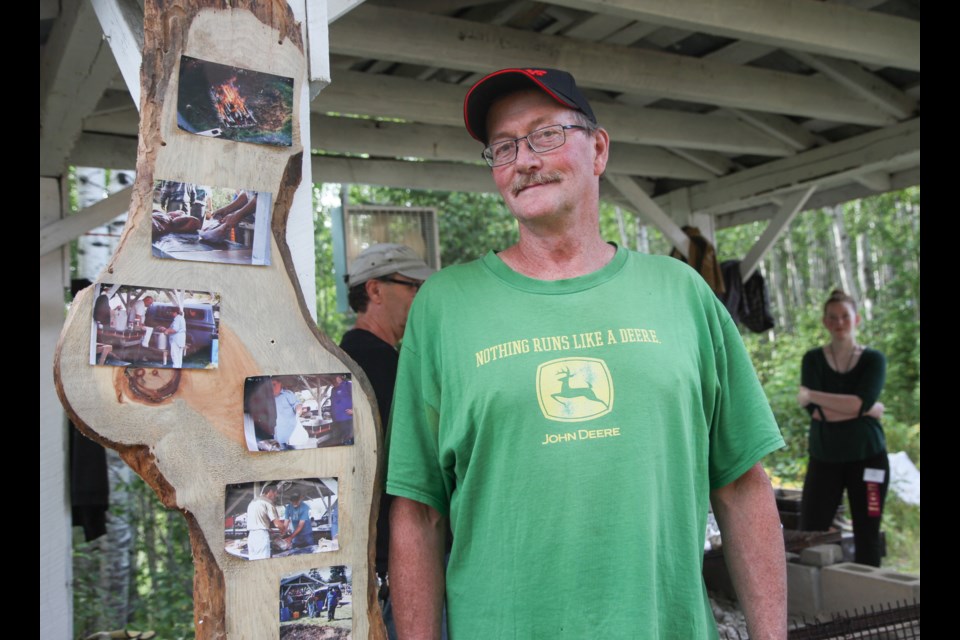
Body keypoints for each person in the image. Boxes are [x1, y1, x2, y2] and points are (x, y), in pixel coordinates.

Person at [386, 68, 787, 639]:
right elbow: (418, 510)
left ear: (598, 149)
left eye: (545, 134)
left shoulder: (682, 293)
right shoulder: (444, 307)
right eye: (502, 147)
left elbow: (741, 484)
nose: (523, 160)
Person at [339, 243, 434, 638]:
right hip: (396, 574)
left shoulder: (342, 360)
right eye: (414, 287)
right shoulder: (382, 367)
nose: (423, 298)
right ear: (374, 291)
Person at [798, 289, 889, 567]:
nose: (839, 323)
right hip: (825, 459)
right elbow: (818, 414)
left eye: (845, 317)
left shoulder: (873, 360)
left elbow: (857, 403)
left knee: (868, 531)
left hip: (870, 461)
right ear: (825, 322)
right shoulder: (812, 359)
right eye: (833, 317)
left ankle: (869, 600)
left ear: (857, 319)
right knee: (810, 530)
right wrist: (864, 409)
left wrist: (813, 395)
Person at [246, 484, 284, 560]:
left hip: (251, 537)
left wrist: (269, 528)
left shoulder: (253, 502)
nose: (276, 496)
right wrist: (283, 530)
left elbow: (259, 519)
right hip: (261, 536)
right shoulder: (268, 502)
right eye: (275, 493)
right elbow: (277, 524)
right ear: (270, 491)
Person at [271, 380, 303, 448]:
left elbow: (297, 404)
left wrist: (298, 408)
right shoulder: (269, 399)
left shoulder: (287, 394)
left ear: (280, 384)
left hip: (291, 435)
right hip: (278, 437)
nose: (271, 387)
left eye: (274, 384)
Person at [329, 374, 355, 446]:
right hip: (336, 421)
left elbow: (359, 399)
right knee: (337, 440)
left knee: (348, 440)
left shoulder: (348, 385)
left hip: (347, 419)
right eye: (331, 380)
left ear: (339, 377)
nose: (332, 381)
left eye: (334, 378)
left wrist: (354, 410)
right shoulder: (333, 389)